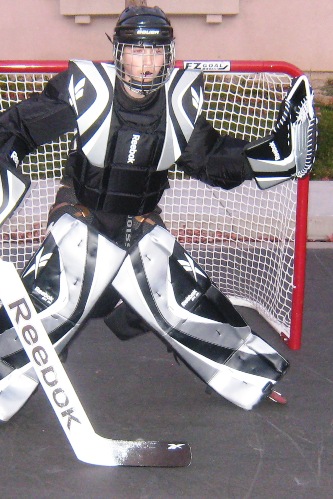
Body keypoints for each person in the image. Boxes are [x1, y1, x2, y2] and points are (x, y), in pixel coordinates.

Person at [0, 6, 316, 422]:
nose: (146, 64)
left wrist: (269, 158)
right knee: (48, 306)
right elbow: (20, 126)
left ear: (168, 55)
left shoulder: (180, 101)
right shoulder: (86, 87)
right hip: (82, 219)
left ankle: (252, 378)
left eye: (155, 53)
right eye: (136, 51)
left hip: (141, 224)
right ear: (118, 52)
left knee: (186, 302)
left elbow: (211, 161)